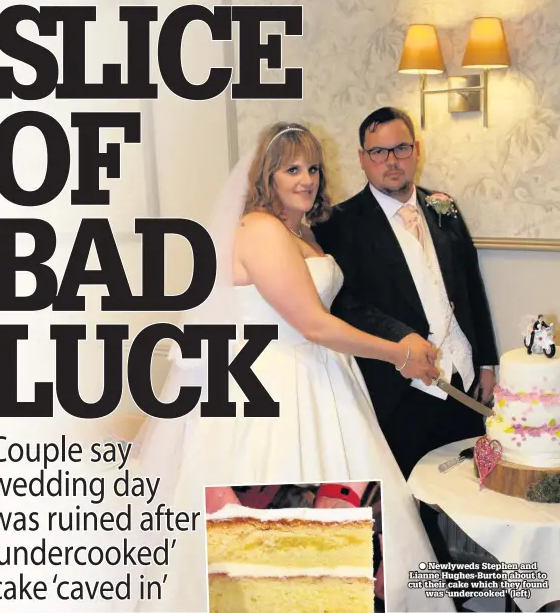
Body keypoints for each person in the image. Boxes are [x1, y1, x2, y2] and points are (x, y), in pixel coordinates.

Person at [119, 122, 454, 613]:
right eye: (292, 169)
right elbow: (314, 325)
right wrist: (400, 354)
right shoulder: (260, 230)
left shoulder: (299, 230)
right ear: (267, 176)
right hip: (276, 384)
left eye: (313, 168)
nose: (307, 179)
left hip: (320, 378)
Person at [313, 106, 499, 481]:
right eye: (378, 152)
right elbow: (346, 304)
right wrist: (402, 338)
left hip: (463, 382)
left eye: (400, 148)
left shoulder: (443, 207)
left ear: (416, 150)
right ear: (362, 159)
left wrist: (486, 363)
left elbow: (471, 287)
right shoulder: (339, 222)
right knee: (411, 497)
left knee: (467, 488)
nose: (391, 161)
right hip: (398, 390)